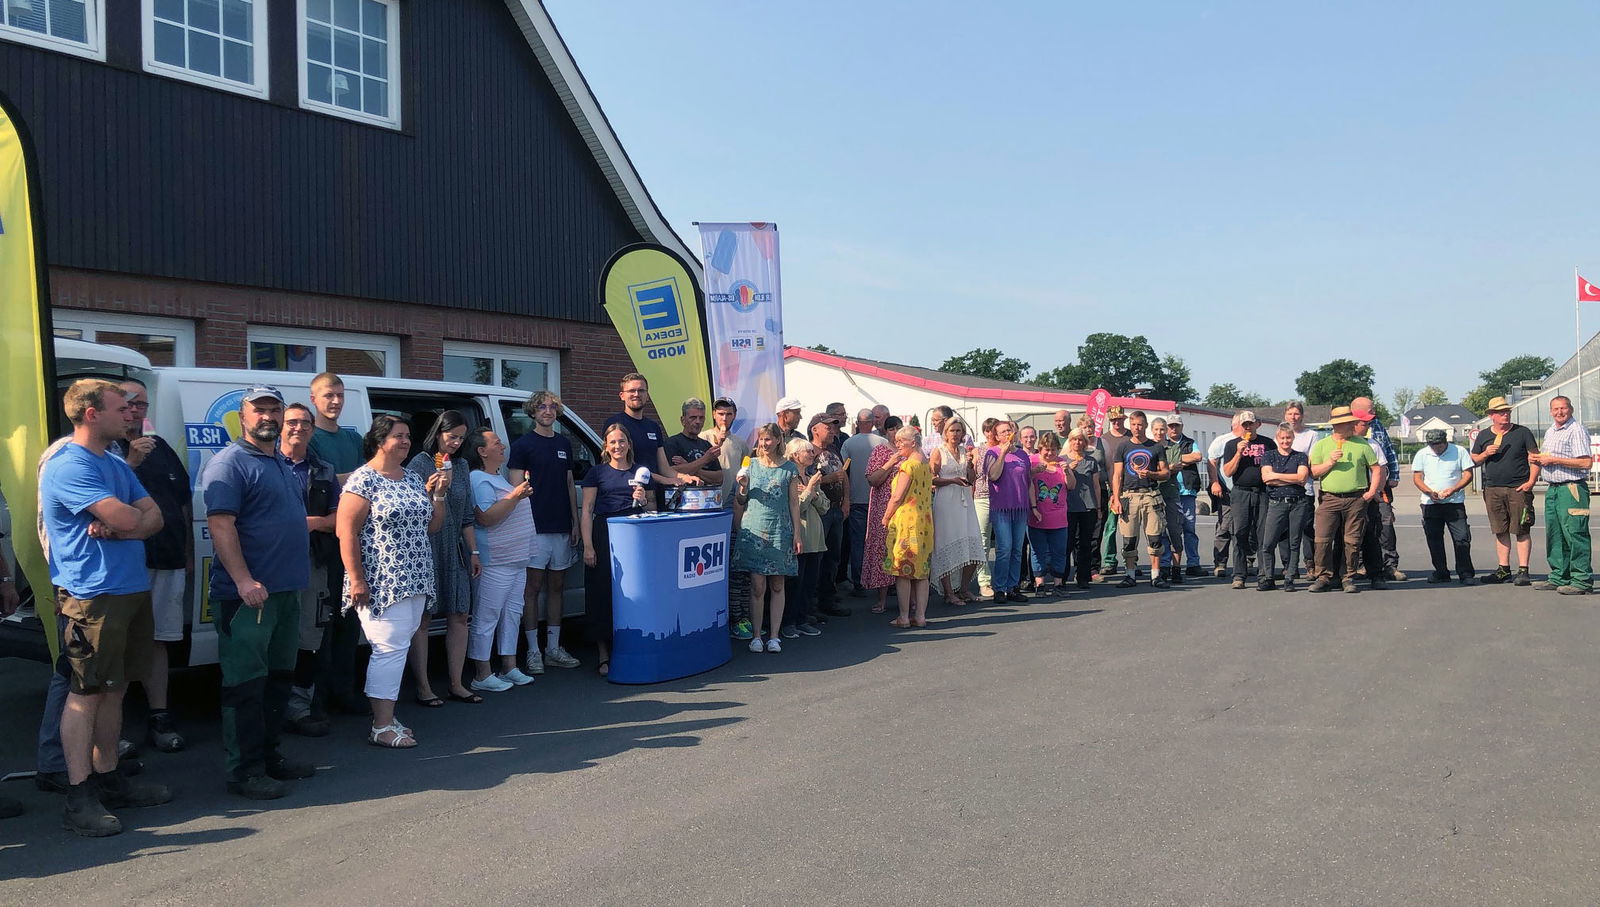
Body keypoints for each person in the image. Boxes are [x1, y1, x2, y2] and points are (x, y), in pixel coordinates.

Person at [40, 379, 172, 835]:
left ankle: (108, 778)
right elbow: (134, 516)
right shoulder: (69, 465)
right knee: (86, 692)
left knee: (114, 689)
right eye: (121, 408)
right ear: (92, 414)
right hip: (91, 595)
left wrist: (119, 531)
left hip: (128, 588)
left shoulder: (114, 461)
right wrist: (127, 523)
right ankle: (79, 797)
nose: (130, 414)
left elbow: (153, 516)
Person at [199, 385, 317, 799]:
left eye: (274, 410)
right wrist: (244, 580)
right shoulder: (228, 464)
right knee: (246, 685)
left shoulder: (280, 463)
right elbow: (220, 525)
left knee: (278, 680)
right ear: (243, 416)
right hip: (248, 597)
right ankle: (244, 771)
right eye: (259, 410)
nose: (268, 416)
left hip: (285, 592)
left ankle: (269, 757)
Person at [338, 415, 450, 747]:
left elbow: (432, 526)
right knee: (388, 650)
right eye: (398, 436)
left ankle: (388, 715)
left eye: (408, 436)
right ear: (378, 440)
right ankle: (381, 726)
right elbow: (347, 533)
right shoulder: (363, 480)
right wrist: (357, 579)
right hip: (382, 581)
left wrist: (439, 496)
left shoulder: (413, 478)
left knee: (397, 650)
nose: (405, 441)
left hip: (415, 578)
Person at [110, 378, 191, 754]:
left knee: (158, 641)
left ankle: (159, 716)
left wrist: (187, 550)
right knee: (122, 644)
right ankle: (114, 727)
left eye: (142, 404)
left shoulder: (161, 448)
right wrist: (131, 462)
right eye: (129, 404)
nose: (136, 411)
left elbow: (183, 502)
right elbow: (105, 500)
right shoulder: (107, 450)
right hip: (127, 564)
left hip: (168, 558)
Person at [406, 411, 480, 704]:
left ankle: (456, 683)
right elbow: (411, 511)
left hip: (455, 548)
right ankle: (424, 687)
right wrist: (429, 492)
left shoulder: (461, 465)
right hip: (426, 548)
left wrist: (474, 551)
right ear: (438, 433)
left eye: (461, 438)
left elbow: (466, 515)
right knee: (422, 618)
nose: (456, 443)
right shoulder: (419, 463)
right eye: (452, 437)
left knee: (460, 614)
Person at [506, 390, 583, 671]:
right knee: (532, 589)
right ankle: (533, 650)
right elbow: (516, 491)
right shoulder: (523, 445)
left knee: (557, 588)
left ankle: (553, 647)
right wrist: (523, 526)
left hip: (561, 527)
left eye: (552, 407)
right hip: (534, 529)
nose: (547, 411)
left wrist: (574, 523)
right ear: (533, 412)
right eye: (542, 407)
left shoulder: (564, 443)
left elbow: (568, 481)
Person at [307, 371, 366, 715]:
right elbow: (321, 480)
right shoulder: (309, 437)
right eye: (329, 395)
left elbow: (360, 479)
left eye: (340, 395)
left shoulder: (352, 438)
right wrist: (357, 478)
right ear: (314, 398)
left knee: (349, 621)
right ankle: (319, 699)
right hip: (324, 541)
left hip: (354, 539)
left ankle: (345, 693)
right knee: (322, 623)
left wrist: (352, 480)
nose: (335, 401)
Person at [279, 403, 338, 739]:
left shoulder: (324, 471)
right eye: (291, 422)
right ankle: (272, 706)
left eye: (304, 423)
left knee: (309, 638)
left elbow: (337, 520)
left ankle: (299, 707)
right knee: (274, 639)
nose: (298, 428)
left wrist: (307, 523)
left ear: (313, 430)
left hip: (313, 564)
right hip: (271, 566)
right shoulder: (268, 464)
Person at [465, 428, 537, 689]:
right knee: (488, 615)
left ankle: (509, 666)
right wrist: (516, 495)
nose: (503, 446)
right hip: (495, 560)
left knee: (511, 614)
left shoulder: (498, 478)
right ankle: (481, 674)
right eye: (496, 443)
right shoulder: (478, 479)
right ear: (482, 451)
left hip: (515, 560)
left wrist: (514, 494)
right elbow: (485, 517)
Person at [732, 423, 802, 652]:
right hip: (754, 530)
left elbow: (794, 502)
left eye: (769, 439)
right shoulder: (750, 465)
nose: (764, 444)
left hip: (780, 531)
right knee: (757, 586)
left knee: (778, 584)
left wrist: (797, 534)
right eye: (761, 439)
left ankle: (774, 636)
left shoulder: (790, 468)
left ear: (779, 440)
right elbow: (741, 501)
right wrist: (742, 488)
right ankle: (756, 636)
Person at [1307, 406, 1382, 594]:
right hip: (1330, 498)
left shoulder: (1362, 444)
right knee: (1322, 539)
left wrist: (1372, 491)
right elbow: (1313, 472)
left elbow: (1377, 468)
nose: (1353, 425)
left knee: (1352, 540)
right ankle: (1323, 576)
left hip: (1356, 498)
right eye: (1349, 423)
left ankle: (1348, 576)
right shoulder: (1322, 445)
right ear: (1338, 425)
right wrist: (1330, 462)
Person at [1471, 396, 1539, 586]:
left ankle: (1523, 570)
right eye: (1501, 412)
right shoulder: (1484, 435)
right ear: (1492, 415)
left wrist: (1531, 482)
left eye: (1507, 411)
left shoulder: (1522, 432)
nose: (1506, 414)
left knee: (1521, 528)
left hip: (1518, 487)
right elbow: (1474, 459)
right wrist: (1486, 453)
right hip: (1493, 488)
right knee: (1500, 529)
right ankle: (1503, 569)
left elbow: (1535, 458)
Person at [1531, 395, 1593, 594]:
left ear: (1571, 409)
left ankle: (1581, 579)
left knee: (1575, 533)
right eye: (1556, 409)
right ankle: (1559, 575)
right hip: (1554, 488)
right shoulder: (1551, 431)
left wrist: (1555, 460)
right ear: (1550, 411)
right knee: (1555, 534)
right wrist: (1538, 459)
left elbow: (1585, 462)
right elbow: (1550, 459)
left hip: (1571, 488)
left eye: (1563, 408)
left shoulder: (1576, 430)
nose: (1560, 412)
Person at [703, 396, 754, 639]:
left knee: (736, 569)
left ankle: (738, 618)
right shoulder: (703, 438)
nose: (725, 418)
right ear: (714, 414)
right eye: (721, 414)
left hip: (733, 512)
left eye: (729, 414)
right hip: (708, 512)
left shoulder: (741, 443)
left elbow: (747, 473)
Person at [604, 373, 695, 501]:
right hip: (627, 496)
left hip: (653, 495)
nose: (636, 394)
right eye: (631, 390)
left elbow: (664, 468)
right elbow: (625, 465)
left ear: (647, 395)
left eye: (641, 390)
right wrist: (667, 480)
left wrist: (684, 477)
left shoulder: (653, 427)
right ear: (622, 396)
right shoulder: (615, 425)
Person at [1109, 411, 1171, 589]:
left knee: (1155, 537)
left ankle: (1156, 575)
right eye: (1134, 425)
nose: (1137, 428)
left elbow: (1165, 473)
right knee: (1129, 539)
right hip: (1129, 496)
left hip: (1151, 495)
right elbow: (1117, 476)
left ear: (1145, 425)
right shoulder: (1123, 447)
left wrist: (1151, 474)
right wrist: (1116, 498)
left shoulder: (1156, 447)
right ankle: (1130, 575)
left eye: (1140, 425)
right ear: (1131, 425)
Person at [882, 426, 934, 627]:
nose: (897, 445)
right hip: (925, 521)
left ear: (913, 442)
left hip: (907, 521)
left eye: (901, 441)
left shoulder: (908, 466)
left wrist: (886, 517)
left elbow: (897, 497)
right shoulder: (925, 464)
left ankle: (904, 617)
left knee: (903, 571)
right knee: (921, 571)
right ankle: (920, 616)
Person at [1412, 429, 1476, 585]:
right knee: (1434, 539)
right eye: (1432, 445)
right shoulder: (1422, 454)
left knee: (1461, 538)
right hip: (1430, 503)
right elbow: (1417, 477)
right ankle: (1441, 572)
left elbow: (1468, 474)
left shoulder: (1459, 451)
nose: (1435, 448)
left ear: (1445, 441)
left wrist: (1454, 489)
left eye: (1438, 445)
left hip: (1454, 502)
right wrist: (1428, 491)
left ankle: (1465, 573)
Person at [930, 417, 983, 603]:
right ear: (945, 433)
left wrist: (969, 464)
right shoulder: (939, 452)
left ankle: (964, 588)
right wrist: (951, 480)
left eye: (959, 431)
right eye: (952, 430)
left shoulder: (964, 451)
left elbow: (971, 477)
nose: (955, 434)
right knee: (946, 542)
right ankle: (949, 592)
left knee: (972, 542)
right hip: (946, 500)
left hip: (964, 501)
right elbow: (931, 478)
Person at [1352, 397, 1404, 582]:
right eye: (1370, 410)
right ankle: (1361, 566)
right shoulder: (1348, 428)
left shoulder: (1378, 425)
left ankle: (1390, 565)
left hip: (1380, 485)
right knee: (1358, 527)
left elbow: (1388, 450)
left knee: (1385, 524)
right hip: (1356, 486)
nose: (1373, 412)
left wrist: (1394, 476)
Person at [1221, 411, 1272, 591]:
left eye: (1250, 424)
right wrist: (1238, 453)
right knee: (1240, 533)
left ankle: (1264, 574)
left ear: (1257, 424)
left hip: (1262, 493)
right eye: (1244, 425)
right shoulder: (1231, 444)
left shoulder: (1267, 443)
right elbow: (1227, 472)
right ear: (1239, 426)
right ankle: (1239, 574)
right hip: (1240, 493)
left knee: (1263, 534)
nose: (1248, 427)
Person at [807, 413, 852, 617]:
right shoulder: (808, 452)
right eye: (828, 427)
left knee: (834, 556)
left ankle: (828, 598)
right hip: (819, 510)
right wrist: (829, 479)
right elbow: (804, 481)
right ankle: (813, 602)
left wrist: (846, 501)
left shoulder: (833, 450)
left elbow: (844, 477)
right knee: (818, 557)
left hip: (836, 509)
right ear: (815, 429)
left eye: (834, 427)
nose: (833, 430)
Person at [861, 416, 906, 614]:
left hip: (907, 508)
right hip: (884, 507)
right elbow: (872, 479)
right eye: (893, 429)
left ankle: (908, 598)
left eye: (899, 428)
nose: (896, 432)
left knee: (905, 550)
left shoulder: (911, 453)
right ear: (886, 431)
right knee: (883, 549)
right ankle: (881, 599)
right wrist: (890, 463)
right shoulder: (880, 451)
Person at [1259, 423, 1311, 592]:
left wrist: (1277, 476)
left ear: (1293, 438)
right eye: (1282, 438)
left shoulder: (1300, 457)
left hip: (1298, 502)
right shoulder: (1269, 456)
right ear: (1277, 438)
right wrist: (1292, 477)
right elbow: (1266, 478)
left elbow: (1302, 478)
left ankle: (1290, 577)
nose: (1285, 441)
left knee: (1294, 542)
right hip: (1276, 502)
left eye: (1288, 437)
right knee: (1268, 542)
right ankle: (1268, 577)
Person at [786, 438, 829, 638]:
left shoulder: (810, 476)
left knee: (810, 583)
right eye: (808, 452)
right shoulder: (789, 477)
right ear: (795, 455)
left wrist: (811, 491)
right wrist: (811, 489)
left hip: (815, 538)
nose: (812, 455)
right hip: (799, 536)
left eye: (812, 452)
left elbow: (824, 506)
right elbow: (798, 507)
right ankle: (789, 622)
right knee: (795, 584)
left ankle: (802, 619)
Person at [985, 421, 1033, 602]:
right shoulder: (992, 453)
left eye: (1009, 430)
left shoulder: (1022, 454)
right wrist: (1003, 453)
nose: (1007, 434)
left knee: (1017, 549)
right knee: (1004, 548)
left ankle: (1013, 587)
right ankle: (1000, 588)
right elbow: (993, 475)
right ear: (997, 436)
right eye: (1003, 432)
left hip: (1020, 507)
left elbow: (1028, 482)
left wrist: (1032, 506)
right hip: (1002, 507)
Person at [842, 408, 887, 593]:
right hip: (878, 497)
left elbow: (843, 470)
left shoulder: (848, 443)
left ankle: (859, 581)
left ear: (858, 423)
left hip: (856, 498)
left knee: (859, 541)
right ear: (871, 422)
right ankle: (883, 579)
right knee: (881, 541)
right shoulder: (883, 443)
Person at [1026, 430, 1074, 596]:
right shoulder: (1032, 461)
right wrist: (1032, 472)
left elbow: (1071, 486)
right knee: (1037, 550)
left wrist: (1067, 471)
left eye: (1053, 449)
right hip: (1037, 514)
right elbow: (1023, 481)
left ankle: (1058, 584)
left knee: (1059, 550)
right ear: (1040, 448)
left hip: (1059, 516)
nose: (1050, 453)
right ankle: (1039, 583)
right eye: (1046, 449)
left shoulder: (1062, 463)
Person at [1350, 414, 1393, 590]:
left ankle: (1376, 574)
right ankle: (1347, 573)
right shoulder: (1343, 443)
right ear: (1353, 424)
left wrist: (1375, 491)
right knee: (1347, 537)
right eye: (1364, 424)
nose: (1368, 427)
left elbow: (1381, 469)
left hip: (1369, 495)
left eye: (1368, 423)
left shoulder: (1373, 444)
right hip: (1348, 496)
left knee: (1371, 535)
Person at [1160, 415, 1204, 581]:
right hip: (1167, 492)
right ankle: (1165, 564)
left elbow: (1197, 456)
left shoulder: (1189, 442)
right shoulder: (1162, 444)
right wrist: (1182, 459)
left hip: (1187, 492)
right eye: (1170, 426)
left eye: (1176, 426)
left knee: (1189, 528)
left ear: (1181, 426)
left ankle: (1193, 563)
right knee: (1166, 530)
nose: (1173, 429)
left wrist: (1174, 459)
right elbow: (1160, 462)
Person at [1283, 402, 1320, 572]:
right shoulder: (1281, 434)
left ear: (1302, 416)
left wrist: (1300, 475)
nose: (1293, 417)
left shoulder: (1311, 435)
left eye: (1296, 414)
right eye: (1290, 414)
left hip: (1305, 488)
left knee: (1306, 528)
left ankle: (1311, 563)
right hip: (1283, 489)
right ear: (1285, 415)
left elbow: (1311, 460)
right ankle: (1289, 566)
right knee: (1285, 530)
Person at [1063, 429, 1102, 589]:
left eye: (1080, 440)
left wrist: (1099, 507)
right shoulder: (1063, 460)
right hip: (1069, 507)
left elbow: (1096, 486)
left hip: (1088, 507)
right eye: (1074, 439)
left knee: (1085, 544)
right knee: (1067, 543)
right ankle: (1062, 577)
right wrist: (1068, 470)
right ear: (1070, 441)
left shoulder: (1091, 461)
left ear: (1085, 442)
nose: (1077, 443)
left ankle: (1083, 576)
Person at [1207, 415, 1245, 577]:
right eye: (1245, 423)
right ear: (1236, 424)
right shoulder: (1222, 441)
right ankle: (1220, 563)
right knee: (1224, 528)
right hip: (1227, 492)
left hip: (1247, 492)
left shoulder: (1253, 441)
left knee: (1245, 528)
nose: (1248, 426)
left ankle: (1246, 562)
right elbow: (1211, 462)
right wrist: (1214, 482)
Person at [665, 397, 725, 489]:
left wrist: (688, 466)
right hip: (683, 499)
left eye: (701, 418)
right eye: (693, 418)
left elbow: (719, 478)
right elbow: (670, 472)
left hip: (707, 500)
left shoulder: (706, 445)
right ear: (683, 420)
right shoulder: (672, 443)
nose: (698, 421)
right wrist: (705, 459)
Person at [1097, 406, 1130, 574]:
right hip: (1112, 489)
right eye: (1114, 420)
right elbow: (1106, 467)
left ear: (1124, 419)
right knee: (1110, 527)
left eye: (1119, 419)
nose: (1117, 422)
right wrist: (1112, 491)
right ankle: (1109, 561)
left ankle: (1131, 560)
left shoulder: (1132, 437)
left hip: (1131, 488)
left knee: (1131, 528)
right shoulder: (1104, 439)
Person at [970, 417, 1000, 598]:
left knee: (1004, 541)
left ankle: (1004, 580)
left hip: (1002, 496)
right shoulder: (977, 450)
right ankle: (984, 581)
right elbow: (973, 476)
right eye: (987, 430)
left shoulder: (1005, 449)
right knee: (982, 540)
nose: (990, 434)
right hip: (982, 496)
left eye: (993, 430)